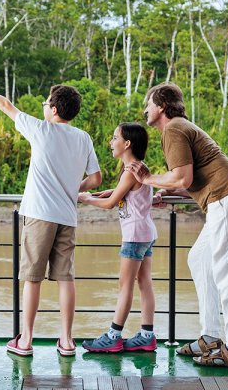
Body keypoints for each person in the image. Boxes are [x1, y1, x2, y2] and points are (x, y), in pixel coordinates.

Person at [0, 73, 102, 357]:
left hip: (39, 215)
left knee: (33, 278)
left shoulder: (41, 129)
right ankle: (66, 341)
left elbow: (5, 105)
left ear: (53, 109)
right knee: (65, 278)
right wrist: (73, 189)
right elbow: (96, 179)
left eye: (46, 102)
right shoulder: (82, 138)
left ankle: (25, 341)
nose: (43, 105)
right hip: (67, 216)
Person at [127, 82, 228, 368]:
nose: (144, 110)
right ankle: (210, 336)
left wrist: (148, 179)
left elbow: (182, 177)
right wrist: (168, 190)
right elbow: (189, 181)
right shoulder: (180, 127)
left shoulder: (173, 128)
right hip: (227, 195)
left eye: (148, 104)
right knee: (199, 259)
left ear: (161, 106)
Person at [78, 123, 157, 353]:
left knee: (125, 286)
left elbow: (111, 204)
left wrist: (87, 199)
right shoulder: (138, 167)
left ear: (127, 144)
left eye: (115, 138)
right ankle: (146, 335)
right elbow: (125, 193)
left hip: (134, 236)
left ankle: (114, 335)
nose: (111, 143)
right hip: (146, 233)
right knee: (144, 283)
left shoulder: (130, 171)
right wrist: (112, 191)